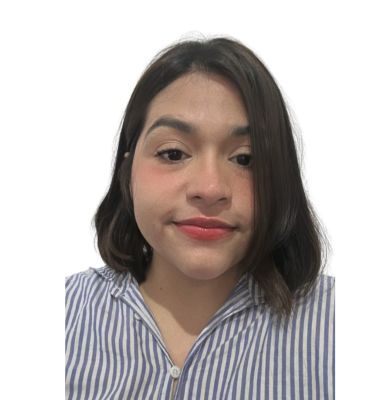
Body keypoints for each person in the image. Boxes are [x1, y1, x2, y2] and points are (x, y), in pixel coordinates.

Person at [65, 36, 334, 399]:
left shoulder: (337, 326)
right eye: (173, 153)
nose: (210, 188)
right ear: (127, 171)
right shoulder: (65, 311)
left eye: (245, 159)